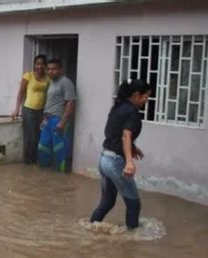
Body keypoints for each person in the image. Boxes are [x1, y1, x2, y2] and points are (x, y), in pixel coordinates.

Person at [90, 79, 151, 230]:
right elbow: (125, 135)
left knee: (108, 201)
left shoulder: (118, 107)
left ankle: (89, 227)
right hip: (116, 162)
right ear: (137, 95)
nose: (146, 100)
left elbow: (112, 133)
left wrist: (133, 147)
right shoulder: (132, 112)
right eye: (145, 96)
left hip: (104, 159)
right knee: (134, 203)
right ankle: (131, 241)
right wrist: (129, 161)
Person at [37, 59, 76, 172]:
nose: (50, 71)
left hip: (58, 119)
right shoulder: (50, 82)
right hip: (48, 120)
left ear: (60, 70)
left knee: (60, 149)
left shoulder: (66, 82)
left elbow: (70, 103)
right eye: (48, 69)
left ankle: (62, 178)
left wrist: (62, 123)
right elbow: (49, 101)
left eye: (53, 69)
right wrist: (44, 118)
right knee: (43, 147)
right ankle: (46, 177)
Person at [12, 55, 49, 163]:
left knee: (39, 137)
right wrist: (16, 109)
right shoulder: (28, 76)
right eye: (37, 64)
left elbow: (49, 95)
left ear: (45, 65)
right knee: (30, 138)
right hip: (29, 110)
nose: (40, 66)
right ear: (34, 64)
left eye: (42, 64)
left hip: (42, 111)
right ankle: (28, 162)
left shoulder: (47, 78)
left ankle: (36, 161)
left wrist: (46, 113)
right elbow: (21, 93)